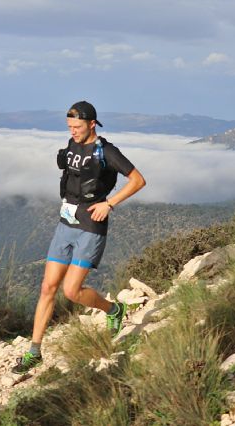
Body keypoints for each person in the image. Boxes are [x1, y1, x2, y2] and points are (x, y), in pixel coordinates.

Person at [13, 101, 146, 374]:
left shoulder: (107, 151)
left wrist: (109, 204)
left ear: (92, 124)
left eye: (77, 127)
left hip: (91, 227)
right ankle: (34, 352)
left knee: (71, 291)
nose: (72, 131)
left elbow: (138, 180)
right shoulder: (74, 143)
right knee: (47, 288)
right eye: (69, 127)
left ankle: (113, 310)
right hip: (66, 223)